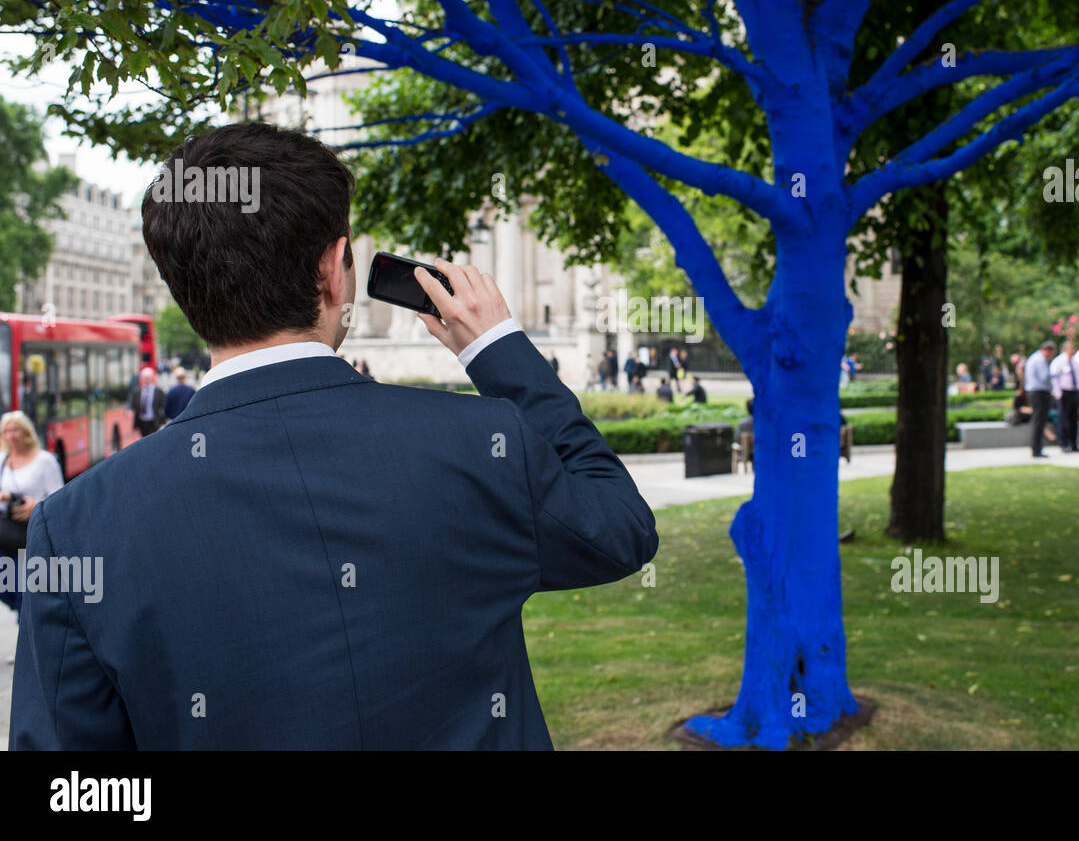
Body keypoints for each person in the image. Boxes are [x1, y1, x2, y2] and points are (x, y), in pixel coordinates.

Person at [9, 122, 656, 750]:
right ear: (333, 268)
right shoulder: (482, 443)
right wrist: (500, 350)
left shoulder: (77, 525)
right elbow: (621, 526)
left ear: (184, 291)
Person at [0, 411, 65, 615]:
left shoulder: (44, 461)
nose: (11, 435)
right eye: (7, 431)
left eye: (15, 430)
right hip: (5, 535)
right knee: (7, 589)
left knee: (25, 597)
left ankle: (26, 626)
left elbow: (60, 500)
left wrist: (35, 506)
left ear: (26, 432)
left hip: (30, 538)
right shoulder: (2, 460)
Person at [1024, 340, 1057, 458]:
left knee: (1038, 421)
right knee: (1039, 421)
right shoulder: (1040, 359)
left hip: (1035, 392)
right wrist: (1056, 374)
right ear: (1047, 350)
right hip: (1039, 393)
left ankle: (1037, 449)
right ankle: (1037, 450)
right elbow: (1044, 377)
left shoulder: (1034, 358)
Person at [1050, 340, 1079, 453]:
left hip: (1074, 392)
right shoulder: (1058, 362)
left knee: (1074, 419)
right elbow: (1054, 379)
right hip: (1064, 393)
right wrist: (1058, 393)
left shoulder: (1075, 362)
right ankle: (1064, 443)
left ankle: (1074, 444)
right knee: (1063, 419)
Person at [128, 367, 165, 437]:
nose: (146, 380)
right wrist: (130, 410)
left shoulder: (158, 391)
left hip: (154, 421)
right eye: (145, 378)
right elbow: (133, 404)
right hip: (142, 422)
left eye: (148, 378)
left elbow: (163, 406)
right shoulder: (137, 391)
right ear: (142, 379)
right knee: (144, 440)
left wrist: (163, 420)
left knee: (154, 439)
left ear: (152, 378)